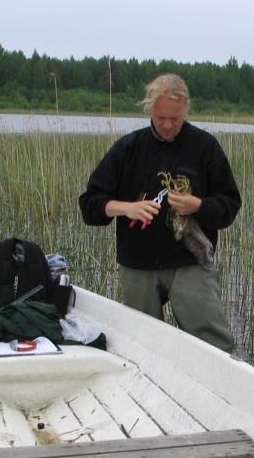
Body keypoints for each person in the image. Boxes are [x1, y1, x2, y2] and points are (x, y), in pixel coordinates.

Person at [78, 74, 241, 352]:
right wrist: (125, 208)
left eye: (174, 119)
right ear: (149, 111)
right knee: (140, 345)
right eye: (160, 117)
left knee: (213, 344)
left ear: (186, 110)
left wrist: (198, 206)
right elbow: (90, 205)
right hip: (138, 264)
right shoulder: (128, 148)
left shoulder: (205, 147)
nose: (166, 125)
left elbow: (229, 206)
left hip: (190, 261)